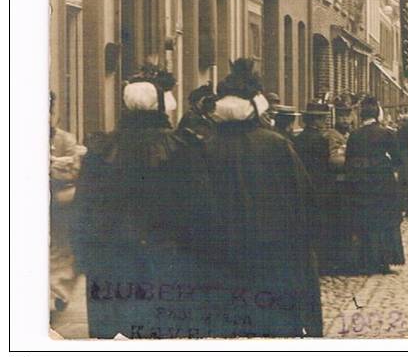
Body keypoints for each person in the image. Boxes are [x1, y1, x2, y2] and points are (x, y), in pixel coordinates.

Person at [73, 66, 216, 338]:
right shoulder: (181, 148)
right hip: (166, 261)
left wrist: (85, 256)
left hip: (111, 262)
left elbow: (84, 210)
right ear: (160, 105)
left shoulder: (103, 149)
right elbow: (200, 209)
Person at [200, 59, 322, 336]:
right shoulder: (275, 145)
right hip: (272, 255)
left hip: (222, 256)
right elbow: (304, 199)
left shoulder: (205, 148)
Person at [343, 96, 405, 274]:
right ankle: (383, 261)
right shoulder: (386, 133)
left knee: (365, 220)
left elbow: (349, 160)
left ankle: (365, 260)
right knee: (384, 221)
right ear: (377, 114)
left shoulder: (354, 135)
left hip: (361, 184)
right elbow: (397, 159)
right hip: (382, 183)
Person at [291, 101, 349, 274]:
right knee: (325, 225)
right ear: (315, 121)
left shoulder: (298, 139)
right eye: (322, 119)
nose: (324, 122)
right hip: (323, 188)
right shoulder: (321, 141)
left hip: (304, 186)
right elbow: (330, 164)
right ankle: (324, 263)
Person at [49, 92, 86, 316]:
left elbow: (73, 169)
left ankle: (57, 293)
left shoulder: (64, 139)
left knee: (61, 248)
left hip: (58, 200)